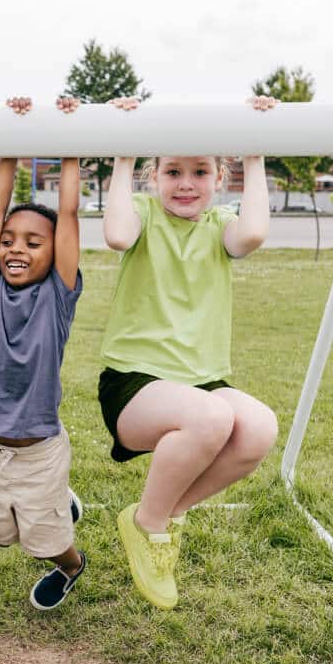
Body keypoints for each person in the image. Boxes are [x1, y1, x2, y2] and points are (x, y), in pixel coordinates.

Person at [97, 94, 281, 610]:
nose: (185, 184)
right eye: (173, 171)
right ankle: (149, 524)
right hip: (136, 386)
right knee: (211, 417)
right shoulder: (142, 214)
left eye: (200, 172)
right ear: (153, 177)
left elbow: (255, 233)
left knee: (259, 428)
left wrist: (256, 152)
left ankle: (160, 513)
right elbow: (115, 235)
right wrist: (123, 154)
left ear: (219, 179)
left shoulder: (219, 225)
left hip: (202, 386)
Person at [0, 97, 88, 610]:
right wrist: (8, 140)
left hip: (38, 447)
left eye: (33, 242)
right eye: (10, 241)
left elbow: (72, 210)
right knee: (7, 531)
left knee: (45, 544)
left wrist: (73, 141)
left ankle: (73, 565)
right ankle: (61, 505)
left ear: (55, 252)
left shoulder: (58, 293)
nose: (16, 248)